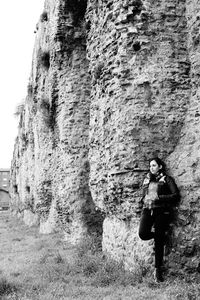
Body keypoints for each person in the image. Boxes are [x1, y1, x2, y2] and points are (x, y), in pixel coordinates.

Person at [138, 157, 180, 282]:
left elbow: (175, 195)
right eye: (150, 166)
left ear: (160, 166)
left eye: (154, 165)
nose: (151, 168)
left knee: (159, 242)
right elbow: (143, 195)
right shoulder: (146, 180)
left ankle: (158, 271)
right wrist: (143, 200)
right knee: (143, 234)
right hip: (147, 210)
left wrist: (159, 197)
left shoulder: (167, 179)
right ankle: (159, 236)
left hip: (162, 211)